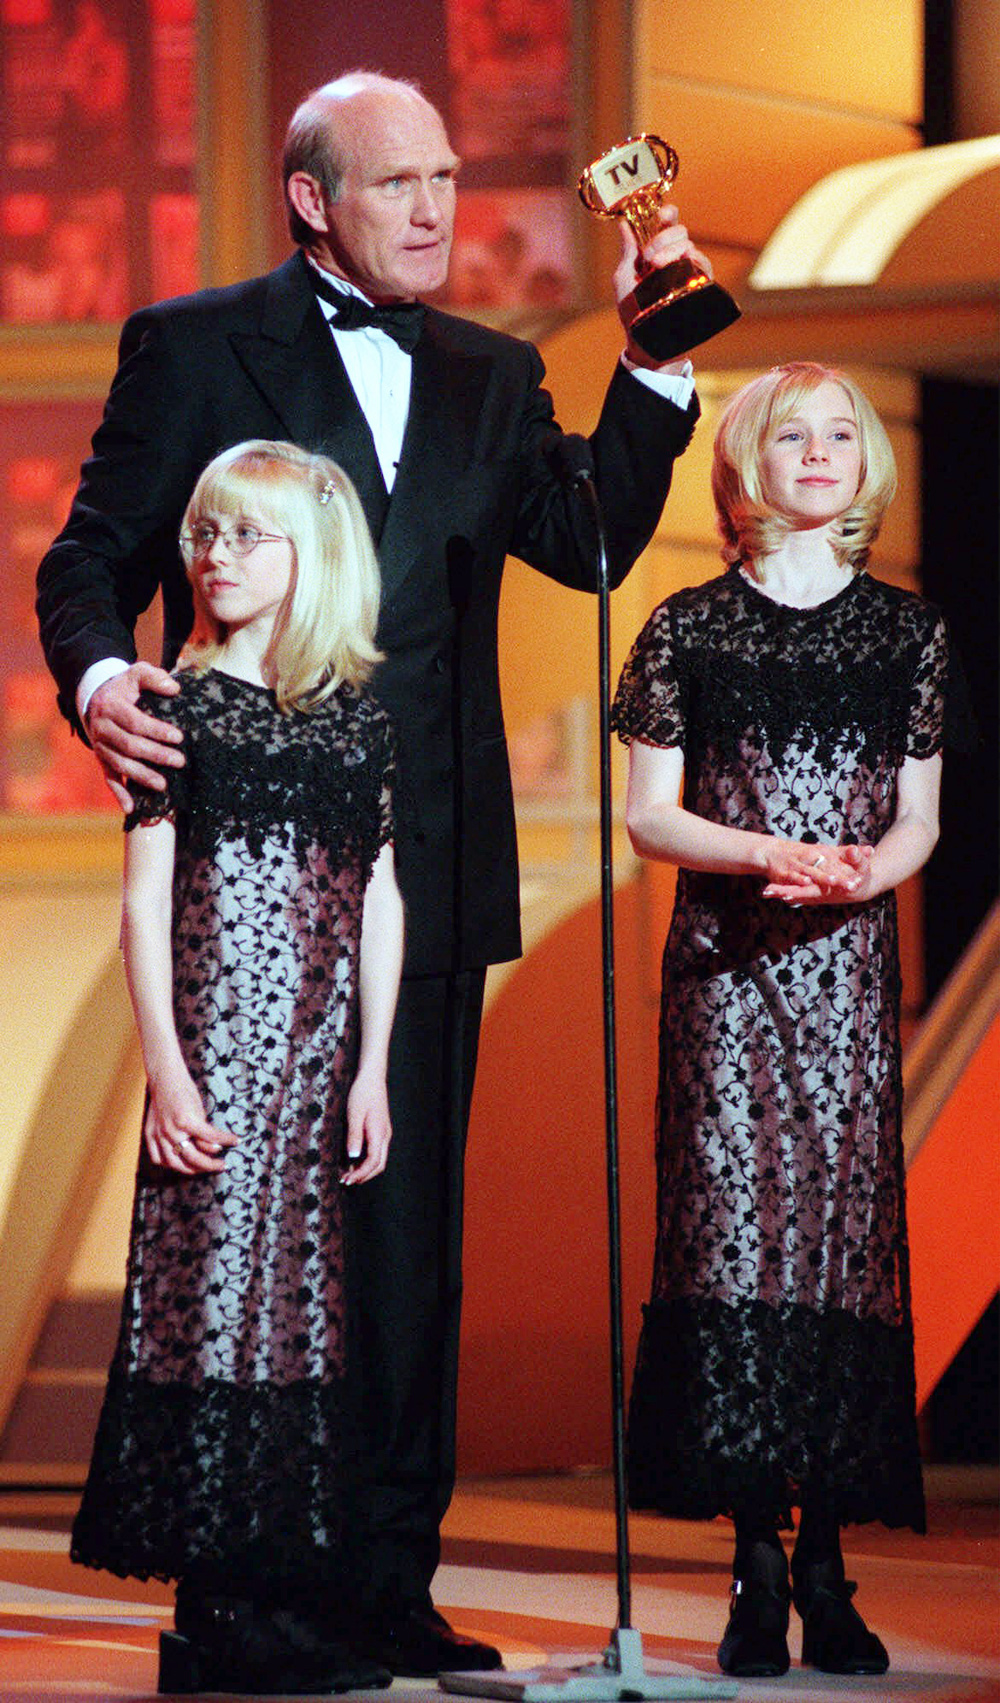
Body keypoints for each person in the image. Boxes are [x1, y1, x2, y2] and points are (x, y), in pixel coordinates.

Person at [37, 69, 704, 1674]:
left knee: (403, 1235)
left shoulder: (490, 368)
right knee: (249, 1232)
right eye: (398, 181)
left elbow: (597, 536)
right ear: (312, 195)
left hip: (423, 866)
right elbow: (90, 559)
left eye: (448, 179)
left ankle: (384, 1578)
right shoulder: (197, 345)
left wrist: (649, 362)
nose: (435, 208)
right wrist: (100, 684)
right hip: (245, 871)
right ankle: (239, 1584)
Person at [611, 363, 962, 1679]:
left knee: (833, 1248)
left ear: (864, 464)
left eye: (839, 434)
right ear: (745, 459)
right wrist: (768, 850)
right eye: (791, 431)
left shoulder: (906, 635)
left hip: (843, 979)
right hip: (726, 972)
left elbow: (918, 819)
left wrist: (866, 869)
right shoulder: (685, 626)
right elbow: (651, 814)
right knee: (734, 1249)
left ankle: (827, 1560)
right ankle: (756, 1563)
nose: (818, 451)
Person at [71, 440, 404, 1695]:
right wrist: (166, 1067)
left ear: (311, 552)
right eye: (205, 532)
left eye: (245, 533)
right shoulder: (173, 706)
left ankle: (276, 1589)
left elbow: (380, 892)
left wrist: (373, 1064)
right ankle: (216, 1611)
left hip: (320, 1065)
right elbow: (144, 903)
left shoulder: (358, 723)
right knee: (213, 1304)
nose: (214, 554)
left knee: (298, 1315)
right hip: (217, 1050)